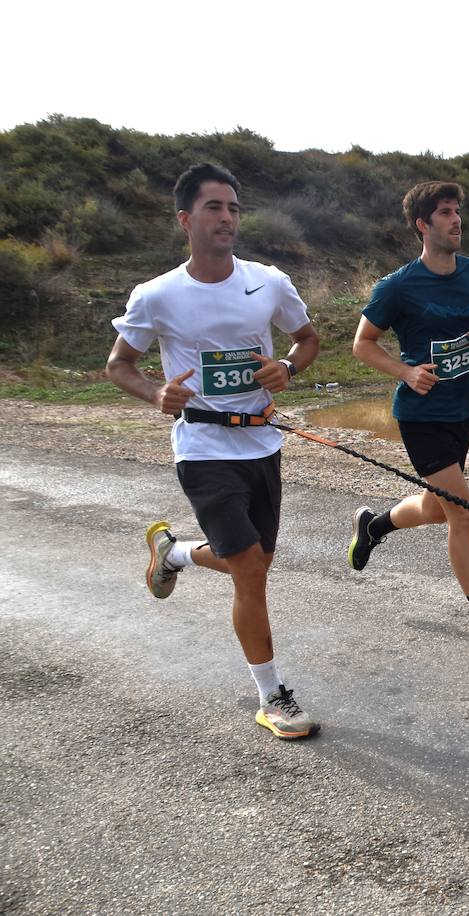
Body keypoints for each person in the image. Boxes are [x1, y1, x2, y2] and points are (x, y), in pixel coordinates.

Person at [106, 163, 322, 739]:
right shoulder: (157, 295)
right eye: (213, 208)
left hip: (262, 440)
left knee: (250, 564)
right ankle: (273, 696)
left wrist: (287, 368)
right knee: (250, 571)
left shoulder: (268, 282)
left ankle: (173, 555)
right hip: (202, 445)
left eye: (232, 208)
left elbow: (307, 340)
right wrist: (157, 392)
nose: (226, 217)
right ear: (185, 219)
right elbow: (118, 365)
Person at [347, 181, 469, 655]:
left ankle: (374, 525)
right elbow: (362, 344)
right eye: (445, 213)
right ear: (423, 225)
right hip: (421, 415)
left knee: (437, 505)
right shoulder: (398, 286)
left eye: (458, 212)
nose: (456, 220)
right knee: (462, 515)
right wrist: (405, 371)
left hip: (463, 410)